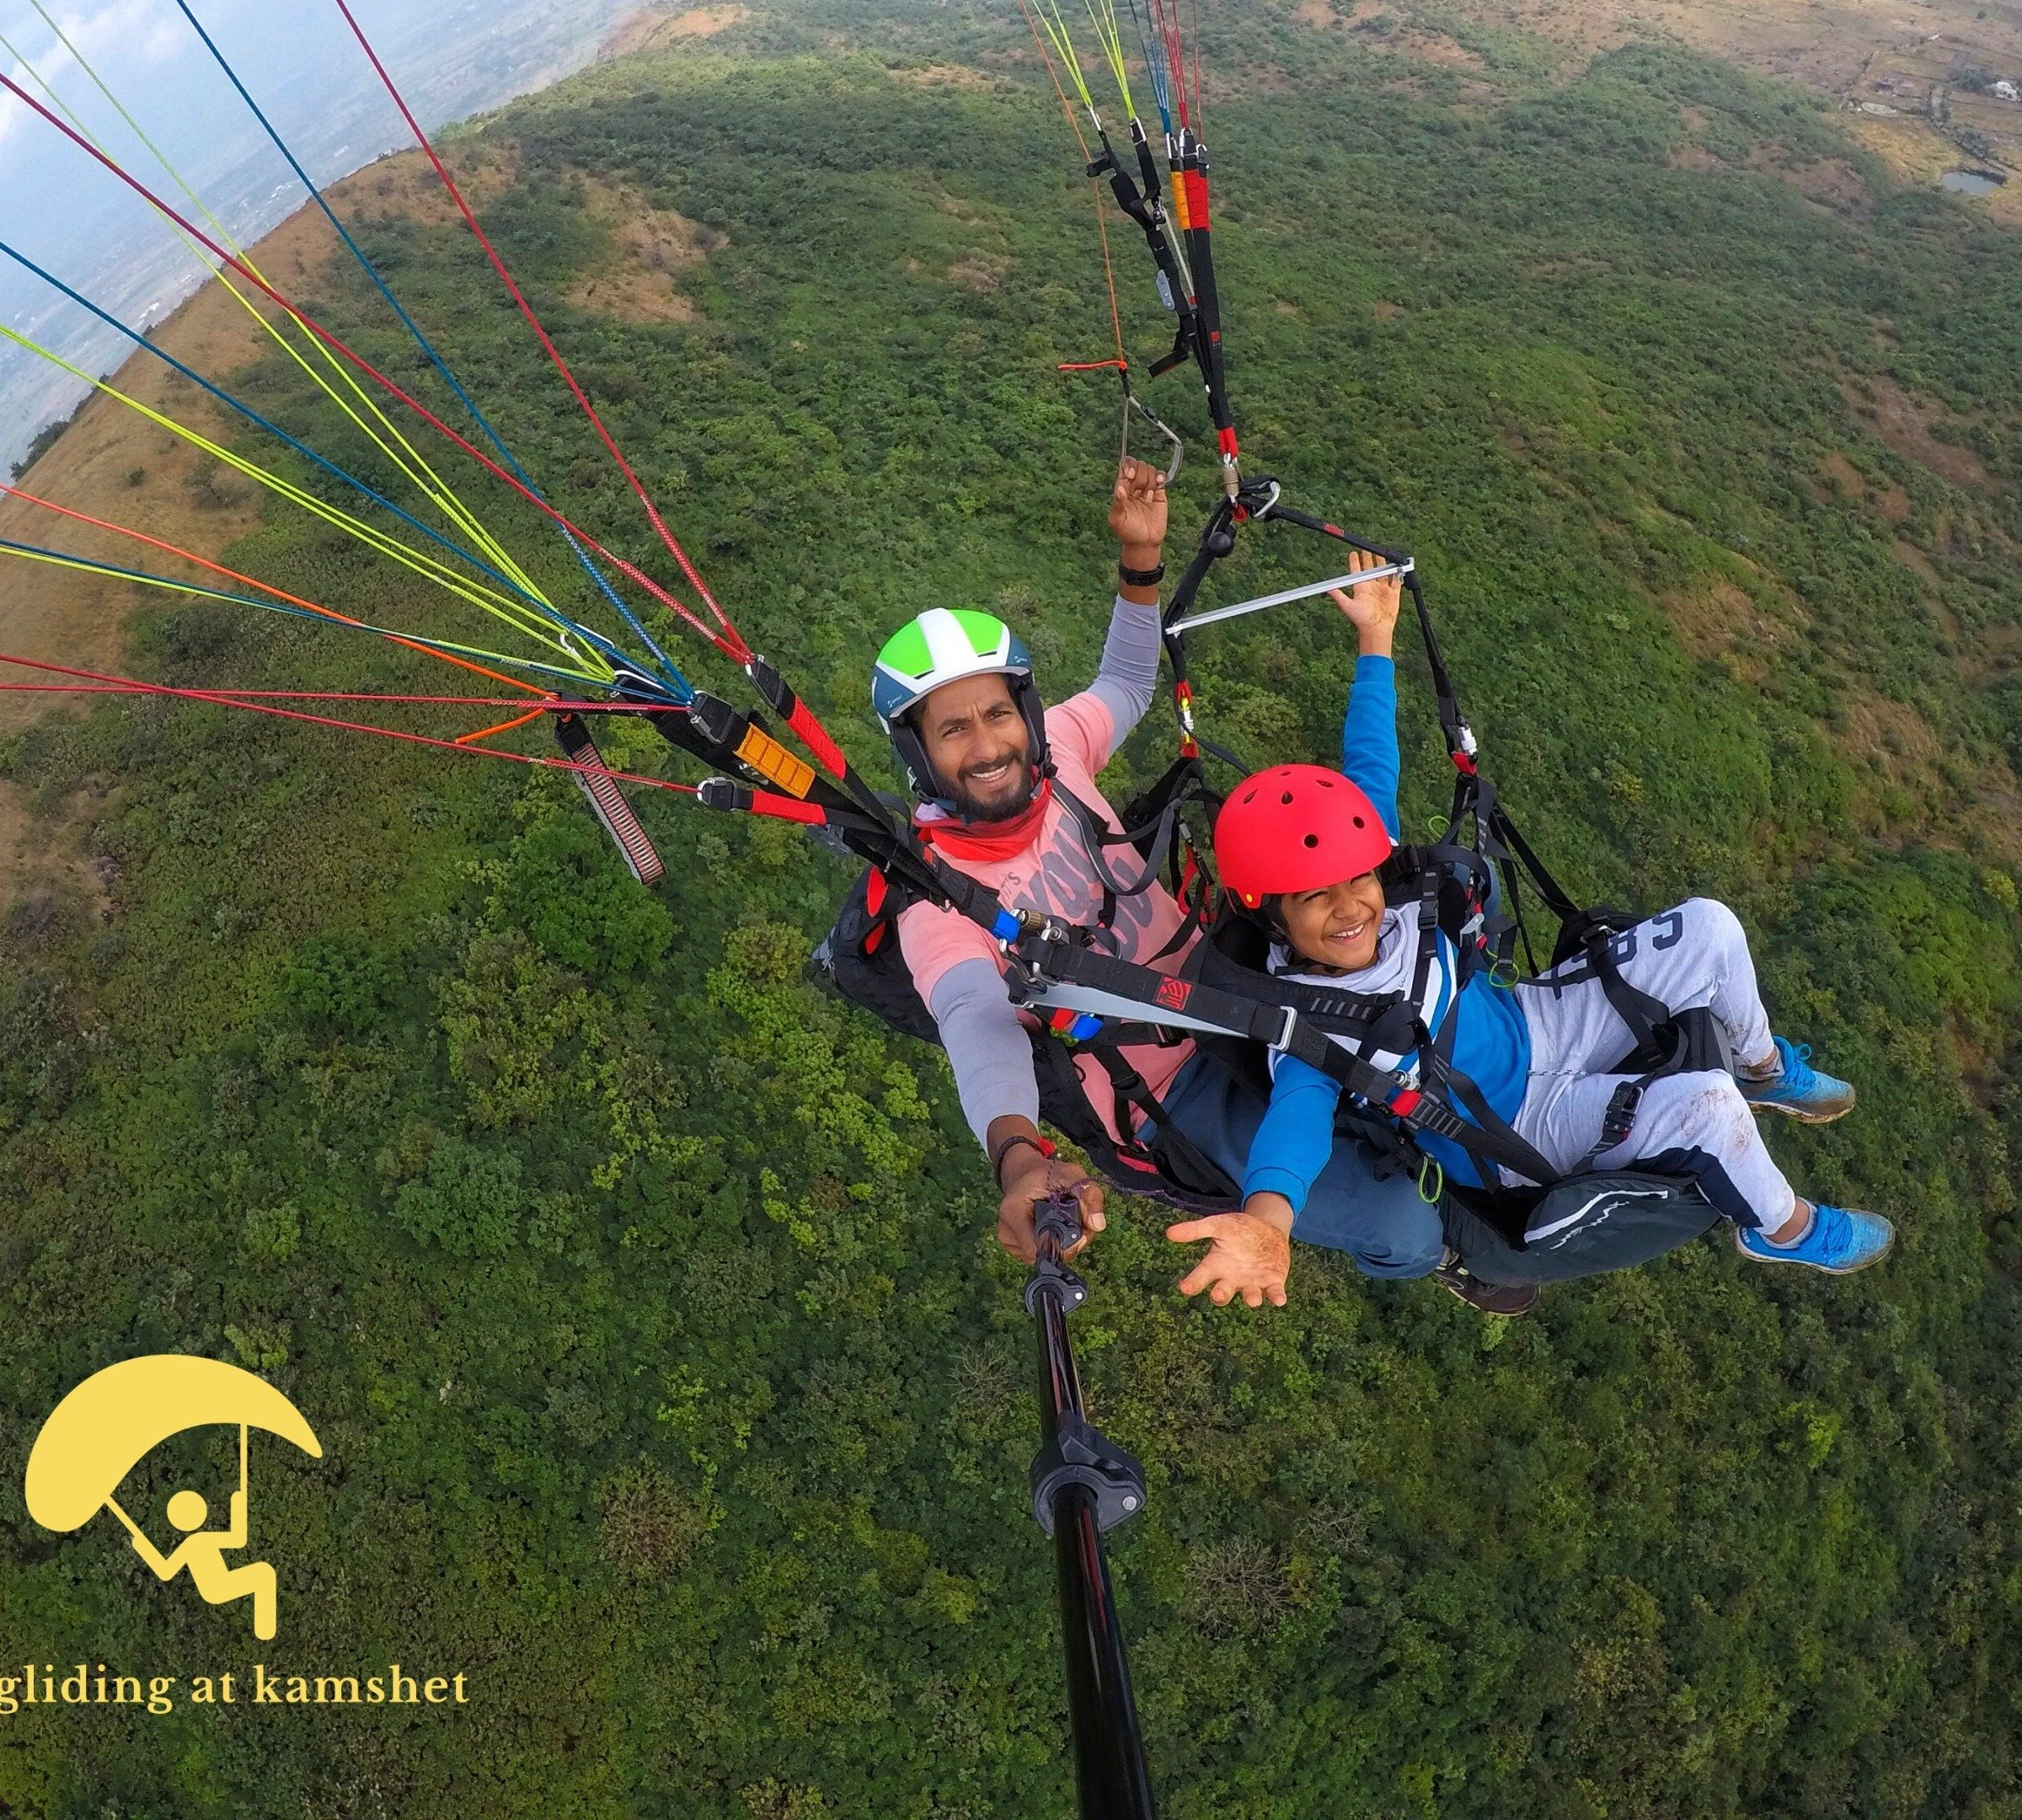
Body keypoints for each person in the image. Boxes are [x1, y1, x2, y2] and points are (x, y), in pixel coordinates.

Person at [1164, 563, 1896, 1310]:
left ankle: (1765, 1066)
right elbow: (1294, 1134)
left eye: (1359, 879)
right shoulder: (1310, 1027)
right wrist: (1267, 1222)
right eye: (1315, 899)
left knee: (1710, 927)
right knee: (1706, 1108)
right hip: (1517, 1127)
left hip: (1537, 1023)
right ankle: (1783, 1227)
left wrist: (1376, 641)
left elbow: (1370, 765)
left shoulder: (1381, 892)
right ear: (1271, 916)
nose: (1352, 907)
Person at [871, 458, 1492, 1295]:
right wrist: (1018, 1155)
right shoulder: (934, 897)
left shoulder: (1061, 753)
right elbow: (977, 1028)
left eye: (996, 714)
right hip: (1170, 1079)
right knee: (1402, 1225)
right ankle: (1455, 1261)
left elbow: (1125, 682)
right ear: (917, 752)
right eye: (952, 730)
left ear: (1024, 712)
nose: (987, 747)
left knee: (1430, 986)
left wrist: (1140, 561)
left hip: (1236, 980)